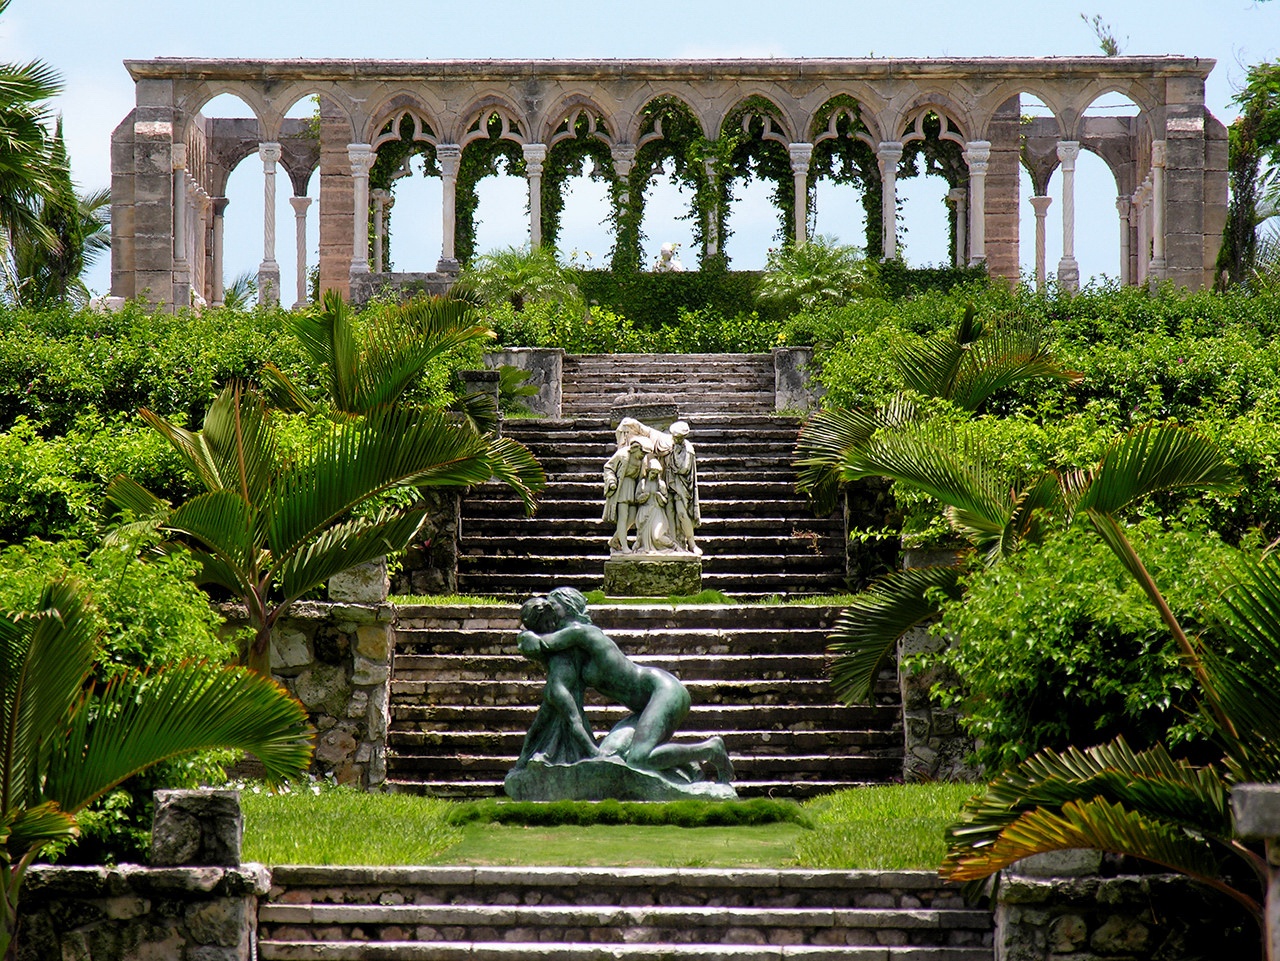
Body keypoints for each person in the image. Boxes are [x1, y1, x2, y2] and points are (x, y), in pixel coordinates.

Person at [516, 587, 733, 783]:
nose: (550, 614)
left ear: (568, 606)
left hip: (663, 692)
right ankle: (685, 764)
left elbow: (542, 644)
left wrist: (527, 634)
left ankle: (709, 749)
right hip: (643, 706)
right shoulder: (574, 650)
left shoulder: (581, 632)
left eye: (553, 607)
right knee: (613, 755)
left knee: (639, 760)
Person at [602, 437, 647, 552]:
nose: (644, 455)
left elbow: (641, 476)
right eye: (642, 452)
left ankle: (614, 540)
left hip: (633, 488)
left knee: (632, 517)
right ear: (636, 448)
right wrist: (611, 480)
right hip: (623, 486)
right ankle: (624, 546)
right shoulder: (622, 454)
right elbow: (608, 467)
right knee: (623, 517)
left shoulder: (642, 460)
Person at [666, 421, 701, 555]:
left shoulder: (688, 449)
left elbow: (684, 468)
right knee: (669, 510)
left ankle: (691, 543)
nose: (676, 439)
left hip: (682, 485)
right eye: (675, 437)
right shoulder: (669, 445)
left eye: (679, 437)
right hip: (669, 482)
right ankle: (674, 543)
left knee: (682, 513)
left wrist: (674, 459)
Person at [634, 456, 675, 553]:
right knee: (645, 541)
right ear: (648, 471)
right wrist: (643, 497)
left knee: (657, 537)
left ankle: (673, 545)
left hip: (657, 511)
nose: (654, 476)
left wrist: (660, 496)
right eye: (652, 473)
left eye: (656, 474)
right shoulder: (642, 483)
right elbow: (637, 499)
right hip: (644, 512)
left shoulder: (660, 484)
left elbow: (665, 501)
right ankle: (646, 548)